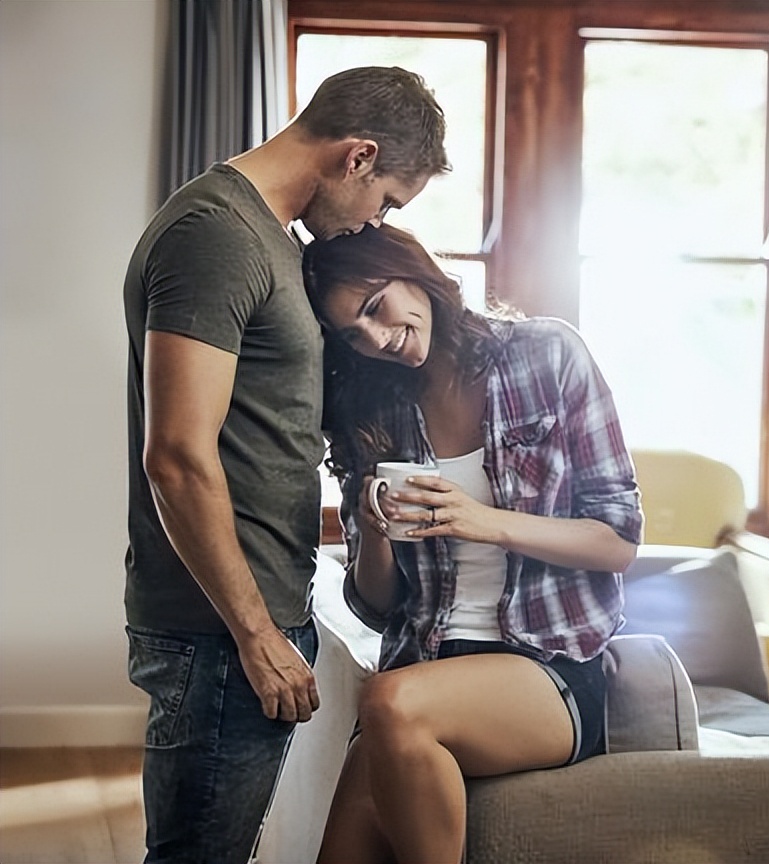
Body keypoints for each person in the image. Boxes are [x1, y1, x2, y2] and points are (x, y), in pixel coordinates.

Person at [122, 67, 450, 864]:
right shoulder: (217, 235)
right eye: (387, 201)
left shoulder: (269, 236)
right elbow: (176, 455)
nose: (375, 223)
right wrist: (257, 631)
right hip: (222, 632)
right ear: (358, 156)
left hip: (245, 619)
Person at [301, 223, 642, 864]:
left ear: (415, 272)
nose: (376, 338)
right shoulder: (372, 407)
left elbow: (618, 538)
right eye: (353, 333)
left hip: (549, 669)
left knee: (390, 701)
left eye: (376, 307)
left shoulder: (548, 355)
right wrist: (375, 530)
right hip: (426, 667)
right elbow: (377, 606)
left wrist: (482, 520)